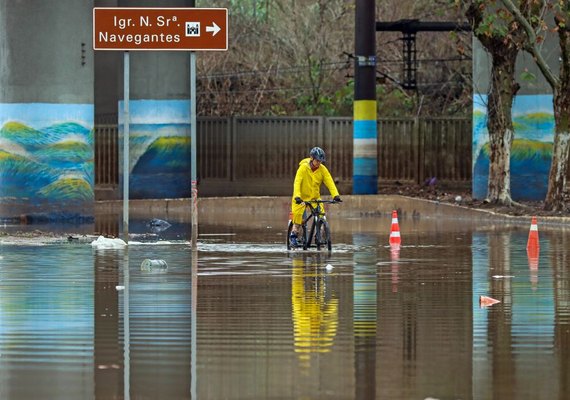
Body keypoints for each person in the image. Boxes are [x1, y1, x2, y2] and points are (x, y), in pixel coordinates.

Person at [290, 146, 342, 247]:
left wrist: (335, 195)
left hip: (315, 198)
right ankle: (293, 237)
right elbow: (297, 182)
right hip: (300, 198)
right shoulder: (303, 168)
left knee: (322, 217)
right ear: (311, 158)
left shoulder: (322, 169)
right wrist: (297, 196)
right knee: (298, 220)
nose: (319, 163)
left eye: (321, 161)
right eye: (317, 161)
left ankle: (318, 237)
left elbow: (330, 182)